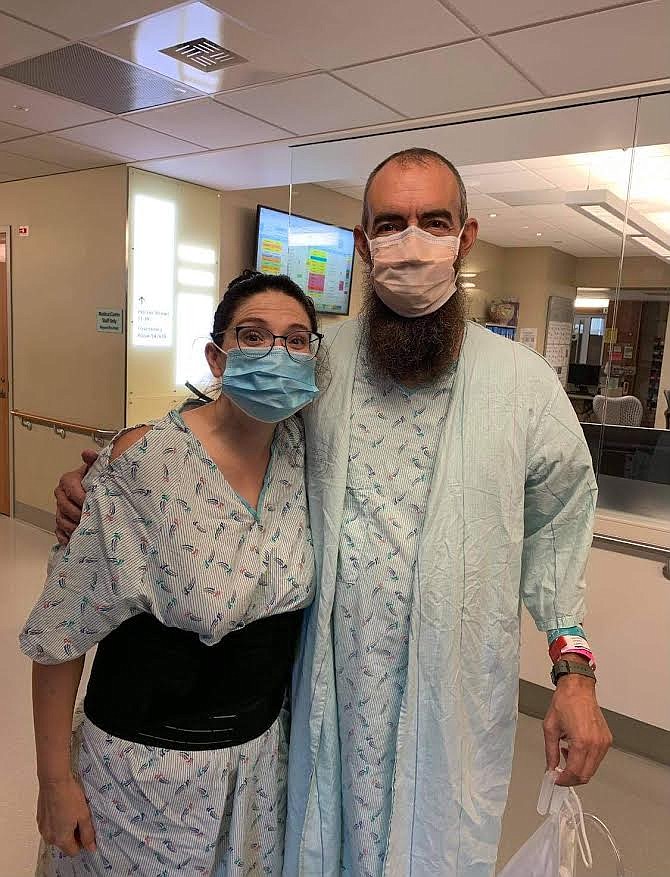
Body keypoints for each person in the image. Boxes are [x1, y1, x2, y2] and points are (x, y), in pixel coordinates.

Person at [55, 149, 612, 877]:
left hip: (451, 696)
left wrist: (574, 672)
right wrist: (117, 464)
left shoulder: (525, 389)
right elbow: (234, 415)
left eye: (433, 222)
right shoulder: (323, 364)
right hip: (325, 689)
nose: (411, 243)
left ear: (466, 237)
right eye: (391, 224)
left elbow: (559, 527)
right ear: (362, 242)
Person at [20, 271, 322, 876]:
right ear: (217, 355)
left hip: (257, 769)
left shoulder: (304, 456)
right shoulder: (146, 461)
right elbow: (60, 634)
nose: (276, 355)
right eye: (254, 336)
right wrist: (54, 781)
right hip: (143, 773)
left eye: (295, 341)